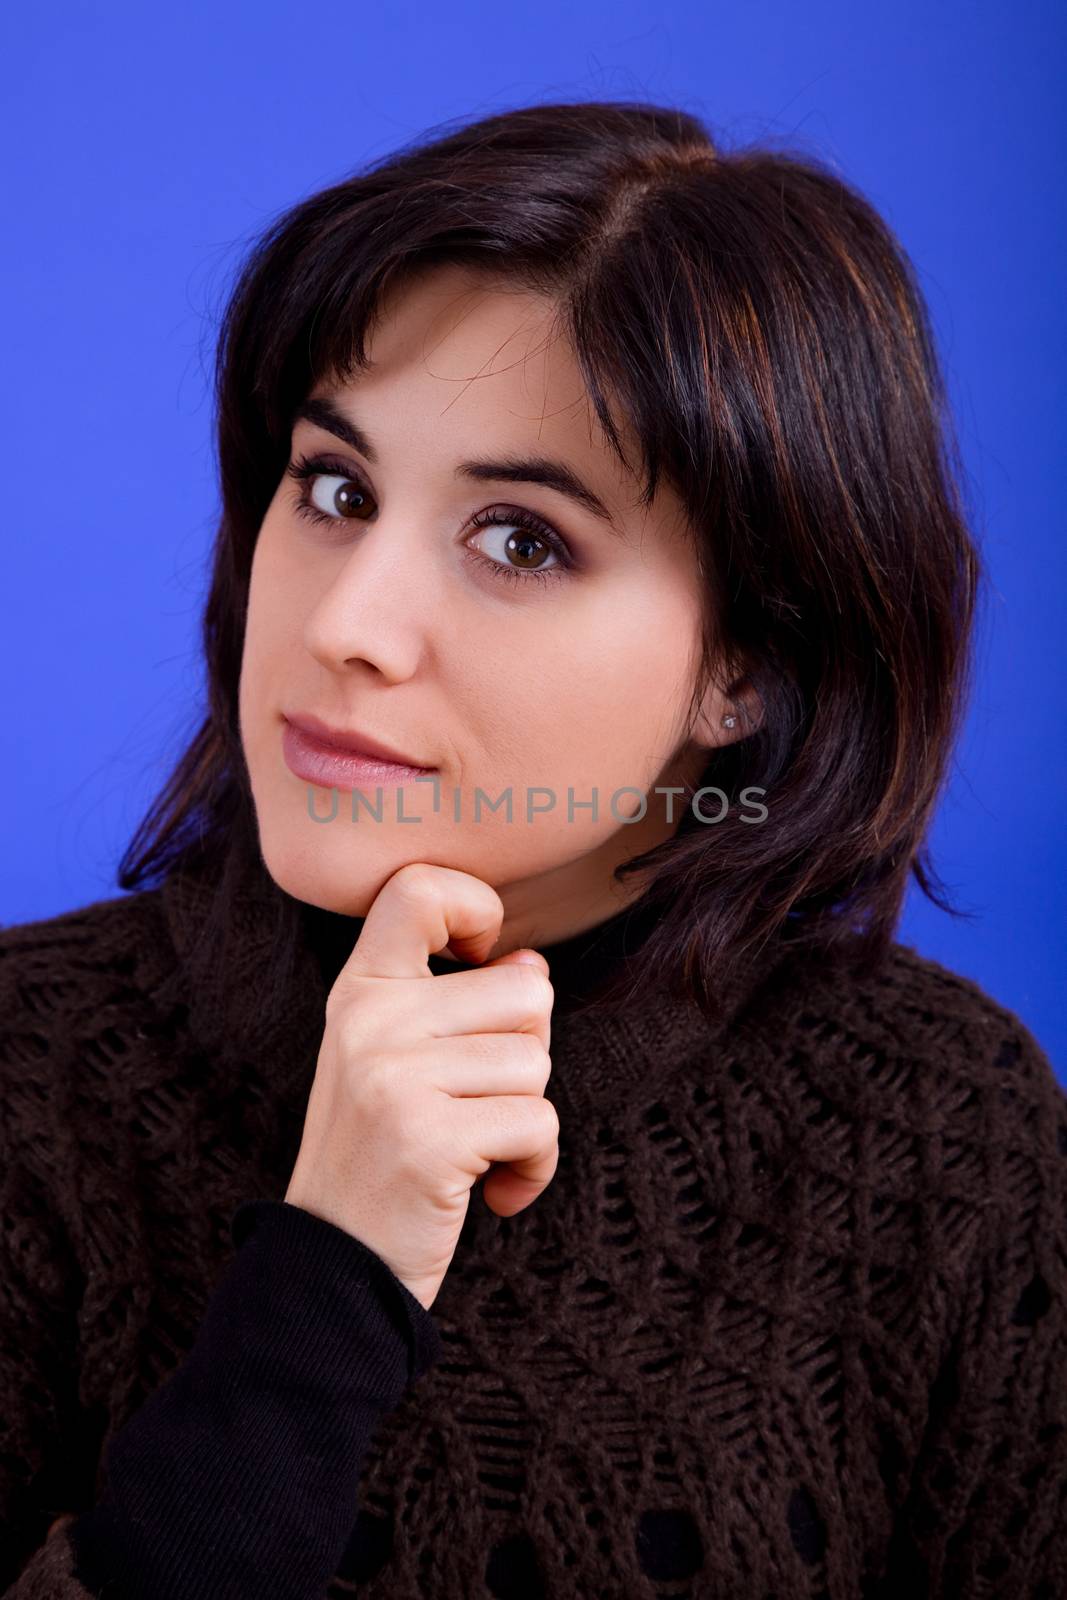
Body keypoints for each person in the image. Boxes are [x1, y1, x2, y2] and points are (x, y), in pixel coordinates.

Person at [2, 99, 1064, 1600]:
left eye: (519, 540)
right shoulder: (27, 1082)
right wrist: (328, 1275)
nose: (346, 626)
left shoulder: (946, 1142)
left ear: (749, 660)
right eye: (336, 488)